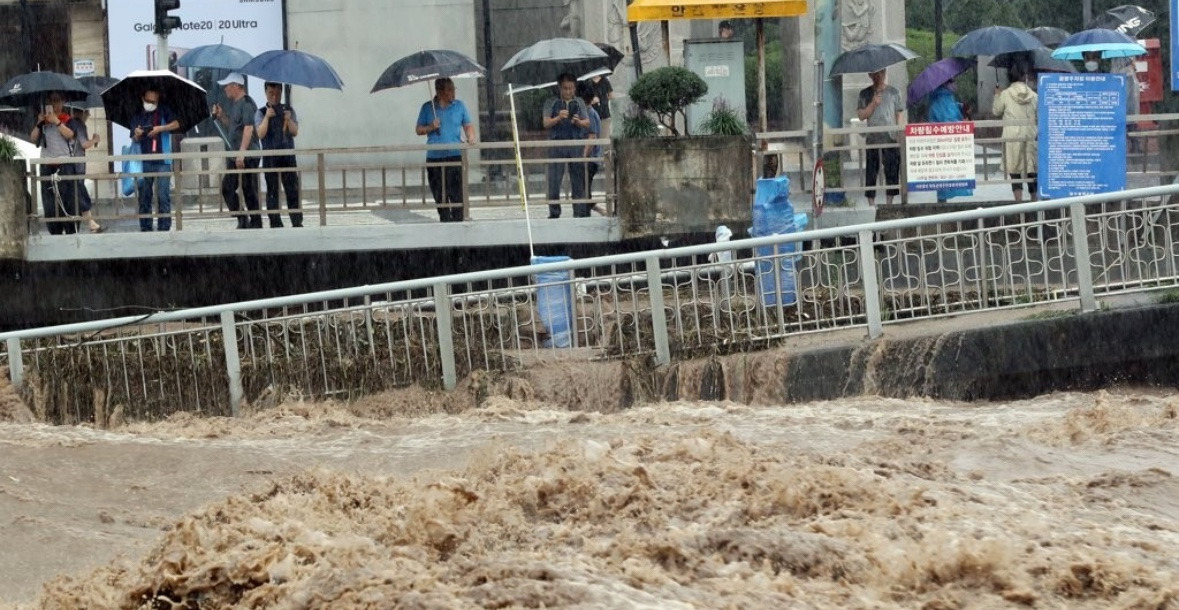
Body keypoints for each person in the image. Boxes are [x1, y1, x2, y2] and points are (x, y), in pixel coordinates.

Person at [415, 77, 476, 223]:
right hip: (435, 157)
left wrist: (471, 136)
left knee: (456, 192)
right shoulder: (427, 108)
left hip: (454, 155)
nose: (453, 92)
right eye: (450, 89)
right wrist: (431, 127)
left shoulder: (459, 106)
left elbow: (467, 125)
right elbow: (418, 130)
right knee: (439, 193)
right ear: (439, 91)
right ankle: (444, 218)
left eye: (453, 89)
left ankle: (458, 220)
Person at [211, 72, 261, 229]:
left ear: (236, 86)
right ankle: (242, 218)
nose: (225, 89)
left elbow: (248, 129)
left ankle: (255, 222)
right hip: (236, 155)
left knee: (249, 189)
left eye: (227, 86)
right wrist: (221, 116)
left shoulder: (246, 103)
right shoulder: (234, 105)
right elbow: (234, 127)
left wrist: (242, 153)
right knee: (228, 187)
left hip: (247, 154)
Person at [29, 92, 81, 235]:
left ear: (63, 102)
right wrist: (39, 122)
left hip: (65, 166)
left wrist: (57, 121)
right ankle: (54, 231)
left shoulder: (68, 120)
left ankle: (71, 230)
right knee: (50, 204)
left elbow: (71, 135)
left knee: (68, 201)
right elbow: (33, 139)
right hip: (47, 166)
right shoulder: (43, 123)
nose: (54, 104)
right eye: (51, 101)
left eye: (57, 101)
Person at [129, 86, 179, 232]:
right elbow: (133, 136)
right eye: (149, 100)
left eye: (154, 101)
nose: (151, 103)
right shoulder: (137, 114)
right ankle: (145, 226)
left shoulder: (164, 110)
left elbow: (176, 124)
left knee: (163, 195)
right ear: (142, 98)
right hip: (143, 160)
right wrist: (137, 134)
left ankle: (164, 226)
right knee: (144, 196)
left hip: (163, 160)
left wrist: (160, 129)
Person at [254, 81, 303, 228]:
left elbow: (295, 132)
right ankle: (275, 222)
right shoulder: (261, 112)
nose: (274, 96)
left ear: (281, 92)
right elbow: (260, 134)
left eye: (277, 93)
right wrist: (267, 118)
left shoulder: (288, 110)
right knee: (272, 191)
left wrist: (288, 120)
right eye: (271, 93)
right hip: (271, 157)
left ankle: (296, 221)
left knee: (292, 190)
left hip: (288, 155)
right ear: (266, 93)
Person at [543, 73, 591, 218]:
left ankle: (579, 211)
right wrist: (558, 118)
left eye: (571, 88)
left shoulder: (579, 102)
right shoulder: (551, 102)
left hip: (575, 143)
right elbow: (545, 123)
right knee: (554, 180)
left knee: (577, 179)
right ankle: (554, 212)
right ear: (560, 87)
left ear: (575, 88)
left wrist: (578, 122)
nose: (568, 92)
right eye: (565, 88)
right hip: (556, 144)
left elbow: (587, 123)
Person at [857, 68, 903, 206]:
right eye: (875, 74)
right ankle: (871, 202)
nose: (878, 76)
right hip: (873, 138)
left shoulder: (894, 92)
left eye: (881, 73)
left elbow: (899, 114)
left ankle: (890, 202)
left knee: (892, 170)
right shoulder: (865, 94)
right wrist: (873, 103)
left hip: (890, 137)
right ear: (870, 75)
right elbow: (861, 116)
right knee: (871, 170)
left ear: (885, 73)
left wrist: (899, 133)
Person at [993, 66, 1038, 203]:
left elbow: (996, 111)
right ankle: (1034, 201)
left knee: (1015, 170)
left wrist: (997, 95)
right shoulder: (1034, 95)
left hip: (1012, 137)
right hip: (1029, 135)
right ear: (1024, 78)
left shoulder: (1005, 94)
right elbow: (1038, 112)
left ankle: (1018, 203)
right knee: (1031, 169)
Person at [926, 81, 974, 204]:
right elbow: (950, 120)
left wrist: (960, 107)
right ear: (947, 84)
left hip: (938, 145)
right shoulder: (946, 99)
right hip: (951, 145)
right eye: (952, 81)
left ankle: (941, 202)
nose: (955, 84)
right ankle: (945, 205)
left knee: (942, 176)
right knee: (954, 172)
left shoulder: (936, 100)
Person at [68, 104, 103, 233]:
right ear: (82, 112)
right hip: (77, 166)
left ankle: (82, 224)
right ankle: (91, 223)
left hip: (71, 165)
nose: (89, 115)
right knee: (81, 194)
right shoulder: (78, 124)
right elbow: (84, 144)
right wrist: (95, 139)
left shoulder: (69, 123)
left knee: (77, 195)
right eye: (87, 112)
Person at [578, 82, 602, 209]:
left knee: (583, 190)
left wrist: (583, 157)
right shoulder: (586, 113)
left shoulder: (589, 114)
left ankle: (589, 212)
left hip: (590, 159)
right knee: (584, 189)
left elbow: (592, 137)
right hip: (590, 158)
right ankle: (595, 210)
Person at [589, 73, 614, 139]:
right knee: (594, 137)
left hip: (605, 114)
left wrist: (603, 100)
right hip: (592, 115)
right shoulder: (588, 82)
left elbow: (611, 95)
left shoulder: (605, 80)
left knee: (604, 138)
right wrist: (592, 101)